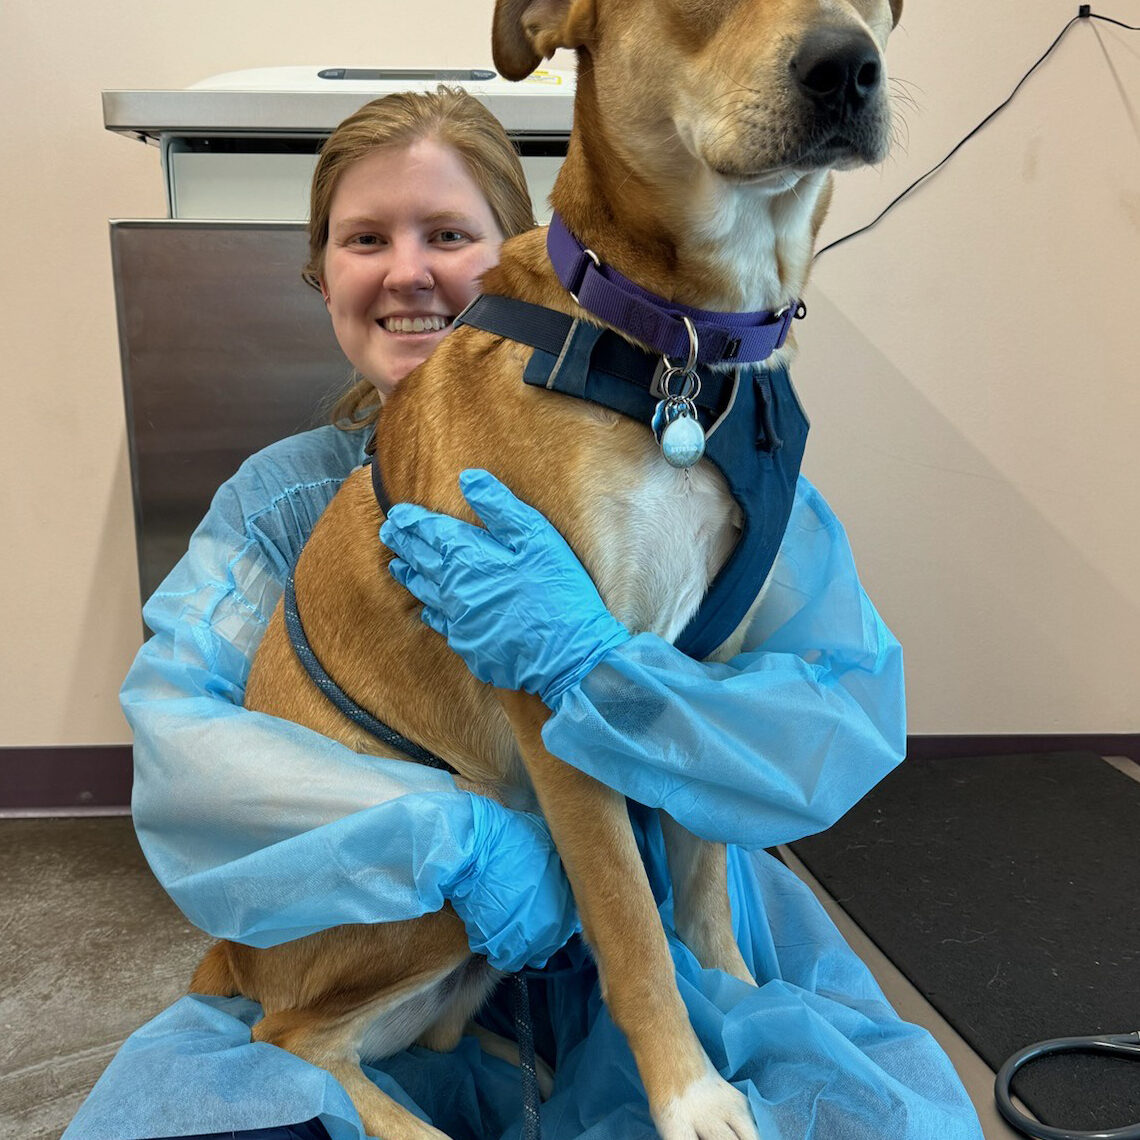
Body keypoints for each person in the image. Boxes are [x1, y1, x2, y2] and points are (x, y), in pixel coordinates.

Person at [65, 87, 983, 1140]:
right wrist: (454, 845)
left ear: (519, 249)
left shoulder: (716, 451)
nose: (408, 270)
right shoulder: (277, 503)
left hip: (666, 901)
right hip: (406, 911)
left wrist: (611, 677)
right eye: (366, 239)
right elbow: (188, 755)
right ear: (322, 275)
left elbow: (833, 716)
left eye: (447, 235)